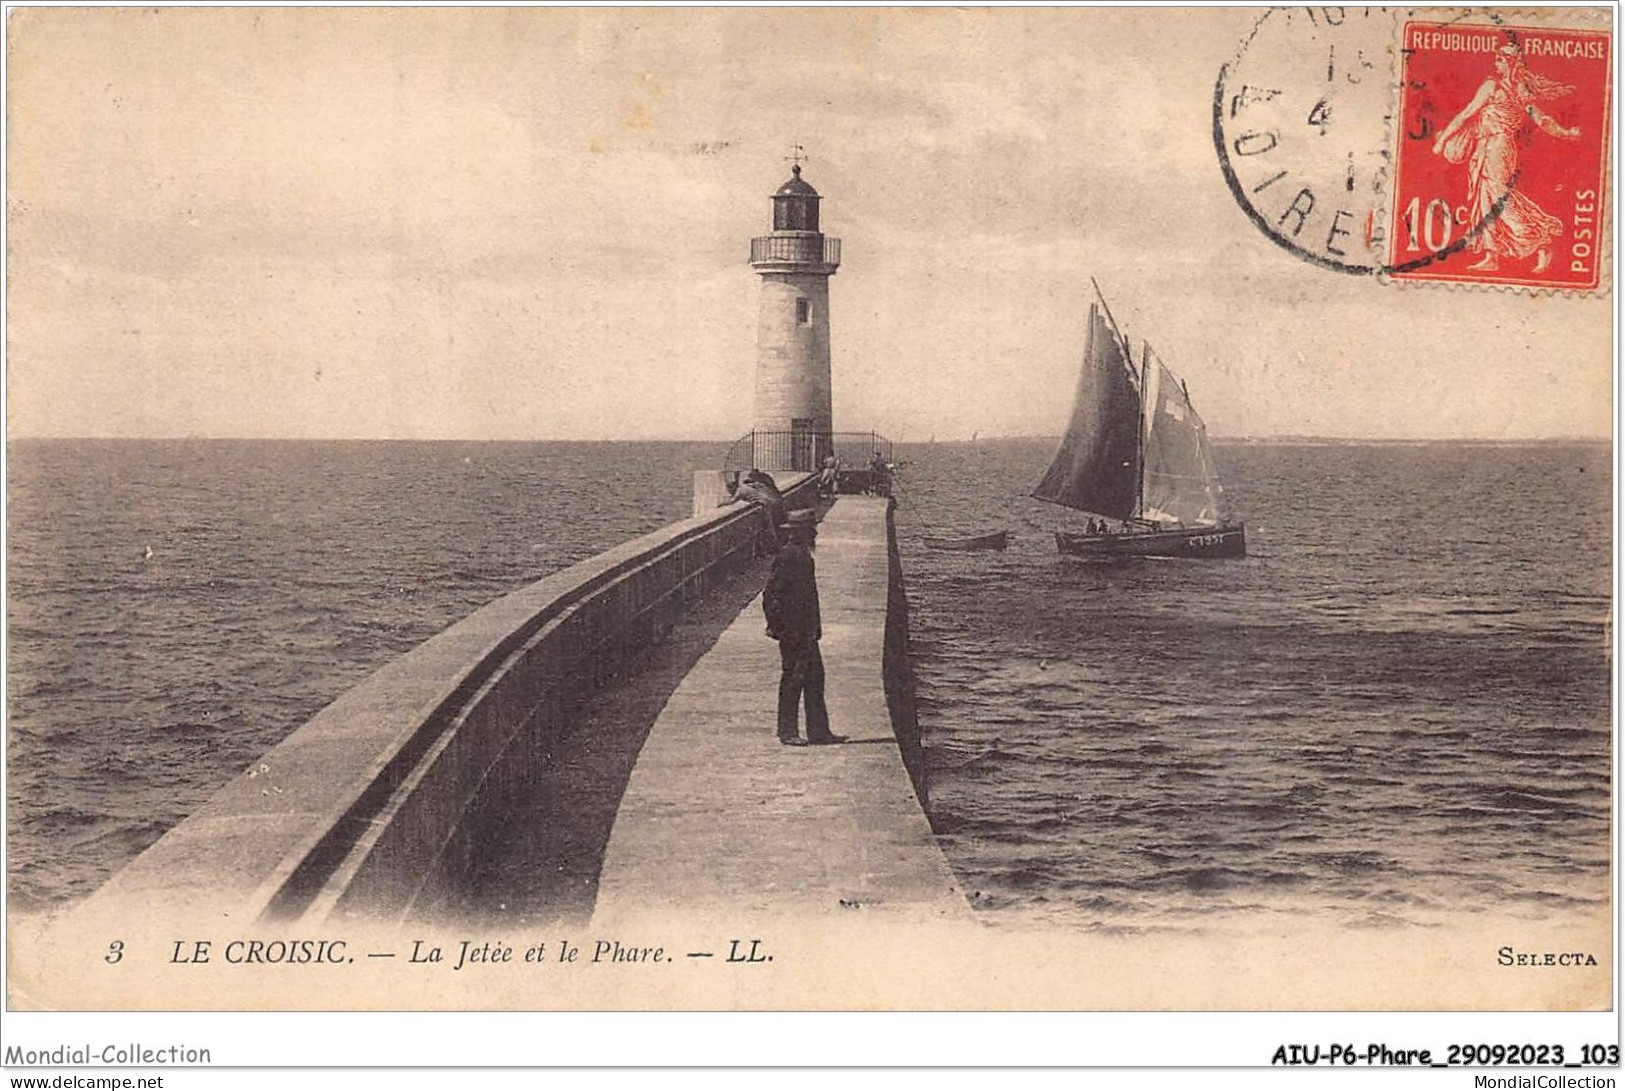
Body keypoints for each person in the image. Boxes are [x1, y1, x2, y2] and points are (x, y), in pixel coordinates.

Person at [1432, 43, 1582, 273]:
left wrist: (1443, 141)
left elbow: (1466, 113)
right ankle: (1492, 256)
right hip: (1490, 146)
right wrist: (1566, 133)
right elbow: (1542, 121)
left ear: (1509, 63)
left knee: (1498, 197)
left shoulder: (1493, 86)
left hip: (1496, 146)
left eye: (1500, 60)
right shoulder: (1520, 89)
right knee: (1486, 198)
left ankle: (1539, 238)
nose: (1496, 63)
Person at [762, 509, 845, 747]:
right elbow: (771, 594)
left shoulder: (801, 554)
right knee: (793, 679)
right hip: (794, 630)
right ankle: (787, 732)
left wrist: (815, 627)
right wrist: (779, 627)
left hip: (806, 630)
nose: (815, 532)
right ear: (802, 532)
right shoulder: (790, 555)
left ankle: (819, 732)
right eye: (811, 529)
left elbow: (809, 597)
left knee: (814, 678)